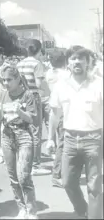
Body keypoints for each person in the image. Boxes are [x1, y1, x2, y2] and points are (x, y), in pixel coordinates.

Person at [47, 46, 103, 219]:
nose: (77, 61)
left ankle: (94, 216)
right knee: (67, 182)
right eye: (73, 58)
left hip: (93, 139)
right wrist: (50, 139)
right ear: (68, 63)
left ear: (88, 62)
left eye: (81, 58)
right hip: (69, 139)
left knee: (94, 186)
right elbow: (54, 113)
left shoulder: (99, 83)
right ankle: (83, 209)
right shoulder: (60, 86)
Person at [0, 66, 38, 219]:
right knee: (13, 177)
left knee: (24, 176)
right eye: (4, 80)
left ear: (18, 79)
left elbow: (32, 119)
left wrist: (20, 112)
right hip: (7, 136)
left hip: (24, 135)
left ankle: (31, 211)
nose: (5, 83)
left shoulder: (27, 95)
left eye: (9, 80)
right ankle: (22, 208)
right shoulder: (3, 94)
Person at [17, 39, 50, 175]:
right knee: (36, 131)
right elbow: (38, 83)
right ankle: (35, 165)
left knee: (24, 130)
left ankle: (24, 160)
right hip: (34, 97)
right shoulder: (37, 64)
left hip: (22, 97)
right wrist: (48, 91)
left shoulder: (20, 64)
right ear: (39, 50)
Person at [45, 51, 68, 188]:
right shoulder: (65, 75)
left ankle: (61, 172)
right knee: (63, 143)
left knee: (61, 141)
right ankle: (57, 174)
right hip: (63, 108)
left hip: (53, 105)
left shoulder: (49, 74)